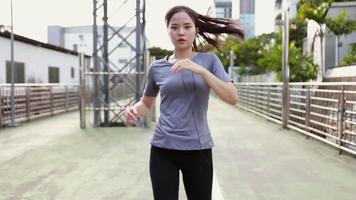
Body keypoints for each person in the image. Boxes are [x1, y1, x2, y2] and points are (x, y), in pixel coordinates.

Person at [124, 5, 244, 200]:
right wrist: (134, 111)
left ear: (196, 29)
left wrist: (201, 71)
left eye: (187, 27)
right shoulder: (157, 67)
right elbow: (146, 104)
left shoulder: (209, 60)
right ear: (168, 31)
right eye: (174, 27)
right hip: (163, 148)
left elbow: (233, 97)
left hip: (198, 149)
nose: (181, 32)